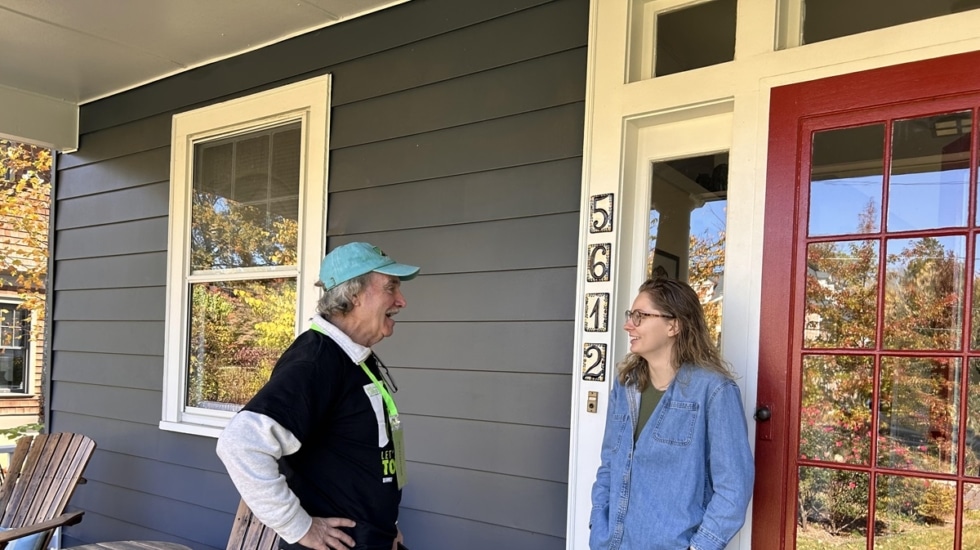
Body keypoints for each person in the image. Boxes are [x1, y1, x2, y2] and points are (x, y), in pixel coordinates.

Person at [217, 242, 420, 550]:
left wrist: (387, 525)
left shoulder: (354, 358)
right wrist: (298, 527)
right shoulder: (316, 361)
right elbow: (240, 444)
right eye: (390, 287)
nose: (401, 300)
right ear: (353, 295)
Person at [589, 278, 754, 550]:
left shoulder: (714, 392)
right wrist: (598, 523)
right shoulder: (626, 386)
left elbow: (733, 489)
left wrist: (700, 547)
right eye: (631, 316)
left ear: (673, 325)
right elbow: (609, 464)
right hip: (611, 544)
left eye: (640, 316)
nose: (628, 324)